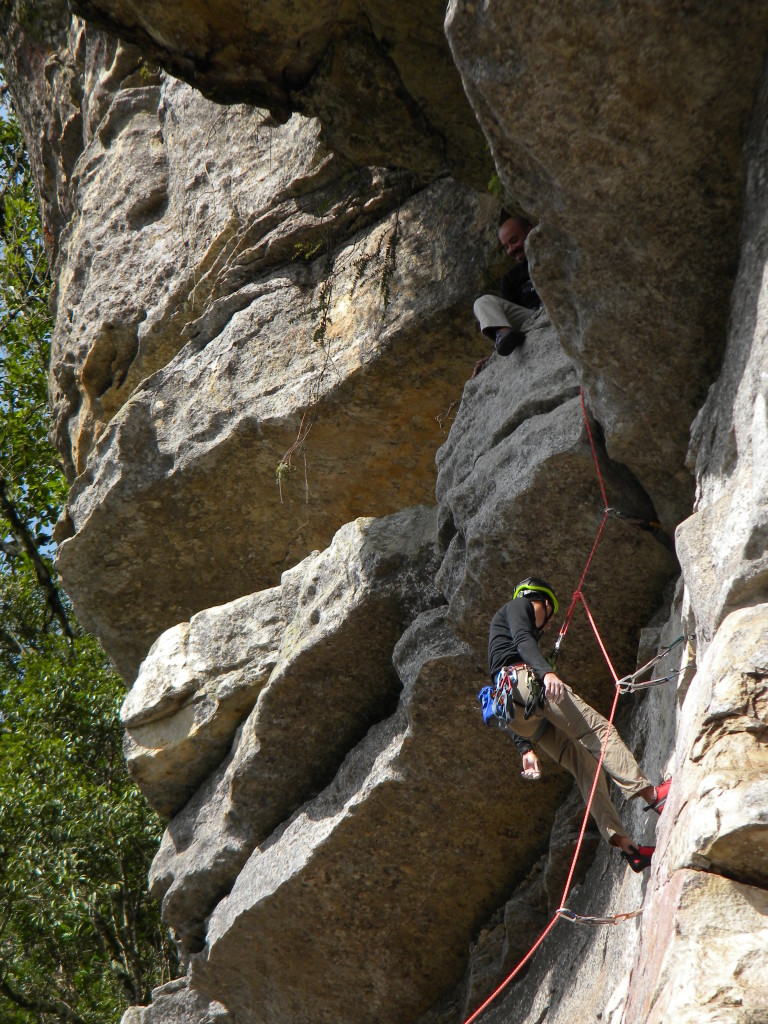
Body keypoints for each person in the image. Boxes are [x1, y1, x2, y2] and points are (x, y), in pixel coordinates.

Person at [484, 577, 671, 871]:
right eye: (547, 618)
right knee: (598, 730)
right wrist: (546, 672)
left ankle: (629, 848)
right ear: (543, 603)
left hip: (515, 712)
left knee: (586, 767)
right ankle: (652, 794)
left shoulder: (498, 638)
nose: (545, 627)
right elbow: (524, 639)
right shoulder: (519, 605)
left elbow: (503, 687)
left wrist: (524, 748)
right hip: (528, 683)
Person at [471, 214, 543, 377]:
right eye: (506, 246)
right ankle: (503, 336)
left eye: (514, 240)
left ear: (529, 231)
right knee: (482, 302)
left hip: (558, 308)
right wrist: (494, 358)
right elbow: (510, 315)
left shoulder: (554, 255)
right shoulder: (511, 278)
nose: (511, 249)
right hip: (533, 318)